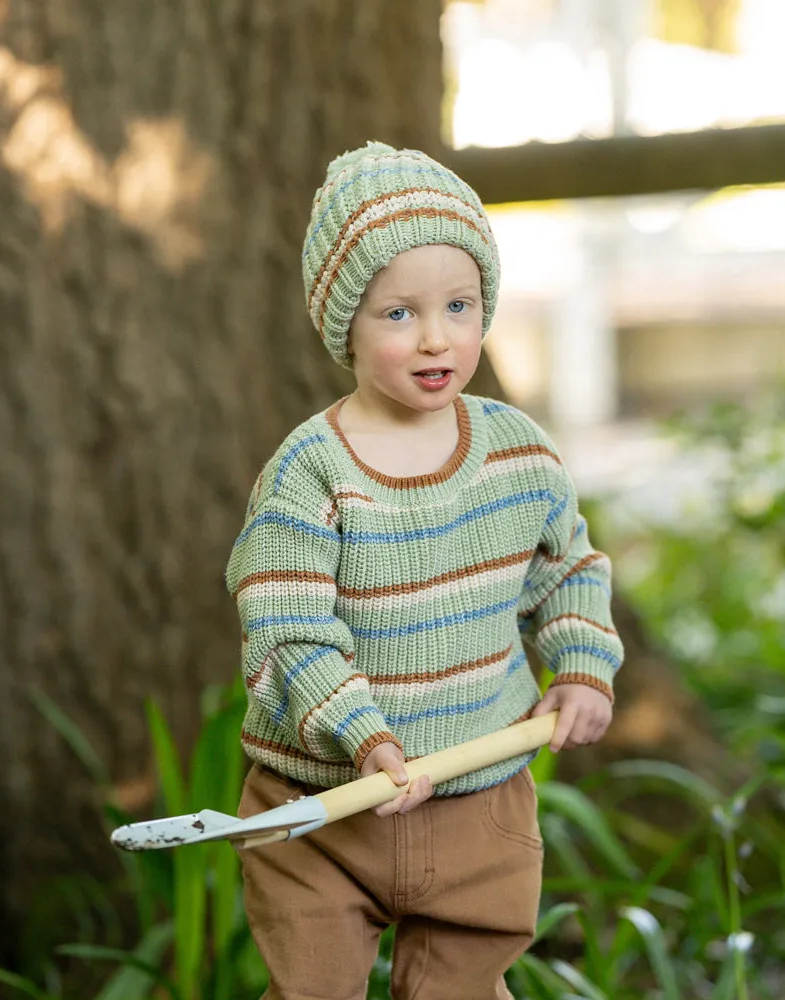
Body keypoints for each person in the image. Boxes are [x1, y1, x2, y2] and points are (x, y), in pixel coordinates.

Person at [225, 140, 623, 1000]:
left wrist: (584, 665)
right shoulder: (310, 472)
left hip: (480, 794)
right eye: (398, 313)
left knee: (464, 987)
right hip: (326, 805)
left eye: (460, 303)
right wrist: (362, 734)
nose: (437, 335)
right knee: (314, 990)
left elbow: (566, 569)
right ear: (344, 322)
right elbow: (288, 629)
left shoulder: (517, 453)